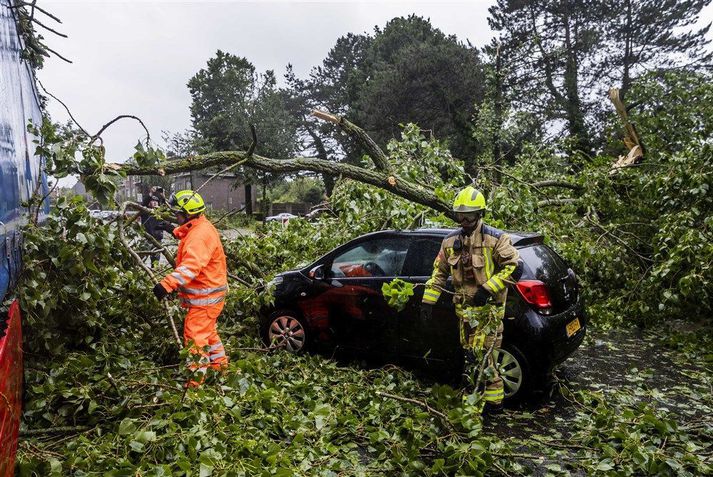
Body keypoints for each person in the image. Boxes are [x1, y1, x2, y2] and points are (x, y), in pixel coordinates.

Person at [421, 186, 522, 415]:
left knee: (480, 357)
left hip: (489, 312)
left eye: (469, 215)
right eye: (460, 215)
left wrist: (487, 289)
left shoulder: (496, 239)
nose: (464, 220)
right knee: (479, 358)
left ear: (480, 214)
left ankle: (479, 403)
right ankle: (494, 403)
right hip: (463, 313)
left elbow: (515, 267)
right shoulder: (449, 242)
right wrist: (428, 302)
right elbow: (439, 273)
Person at [152, 190, 229, 386]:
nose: (175, 215)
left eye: (177, 213)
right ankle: (221, 367)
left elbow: (190, 266)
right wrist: (173, 229)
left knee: (195, 338)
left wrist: (165, 285)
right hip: (211, 294)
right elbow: (190, 234)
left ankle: (195, 384)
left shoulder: (199, 236)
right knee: (208, 333)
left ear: (187, 214)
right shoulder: (199, 227)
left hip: (205, 298)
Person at [140, 186, 169, 266]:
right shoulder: (145, 212)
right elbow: (143, 203)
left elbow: (166, 208)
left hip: (157, 239)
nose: (155, 202)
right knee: (140, 259)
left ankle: (153, 272)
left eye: (156, 201)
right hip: (146, 239)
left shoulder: (160, 212)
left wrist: (163, 197)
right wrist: (151, 193)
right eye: (152, 201)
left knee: (155, 260)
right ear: (149, 202)